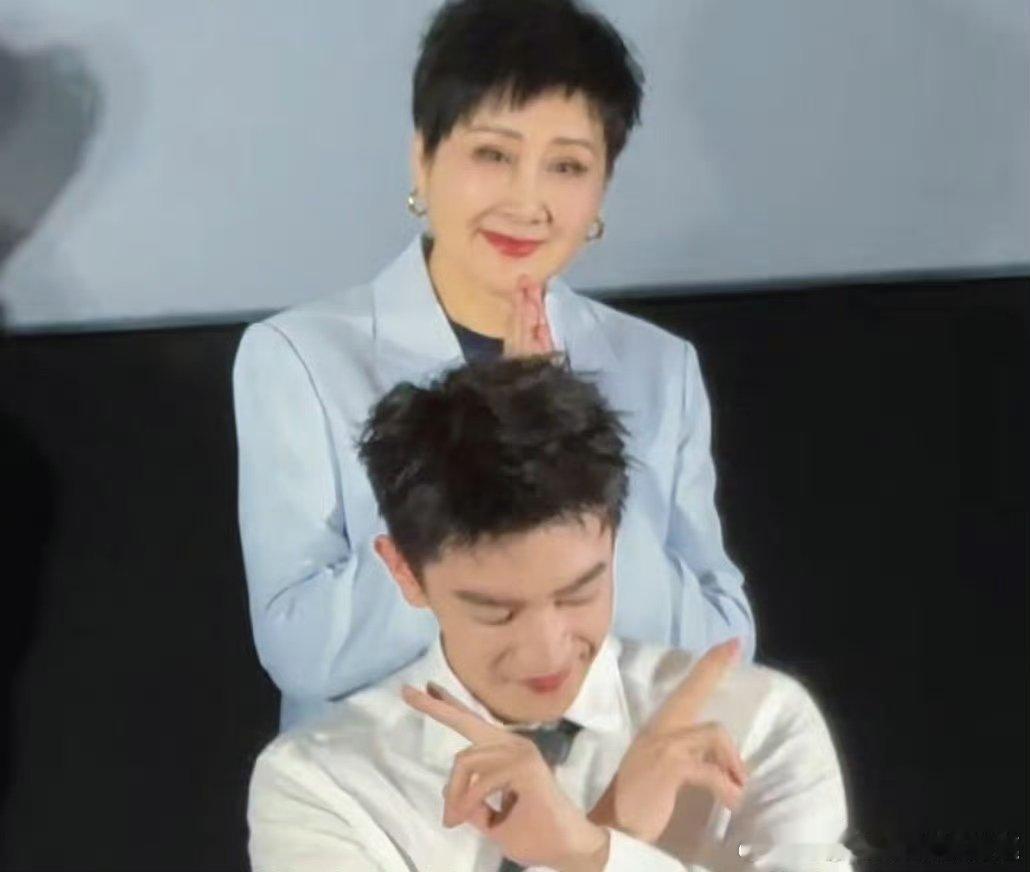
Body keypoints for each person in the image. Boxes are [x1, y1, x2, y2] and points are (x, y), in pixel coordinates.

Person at [233, 0, 754, 730]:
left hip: (608, 782)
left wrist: (566, 451)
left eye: (567, 166)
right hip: (392, 780)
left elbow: (722, 649)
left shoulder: (658, 367)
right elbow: (302, 649)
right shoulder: (302, 358)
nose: (527, 200)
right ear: (424, 158)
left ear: (602, 189)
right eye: (493, 155)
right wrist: (502, 445)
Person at [247, 357, 849, 872]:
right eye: (497, 613)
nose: (547, 650)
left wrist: (594, 851)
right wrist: (606, 840)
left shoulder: (758, 721)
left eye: (578, 594)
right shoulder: (323, 784)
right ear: (404, 572)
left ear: (614, 541)